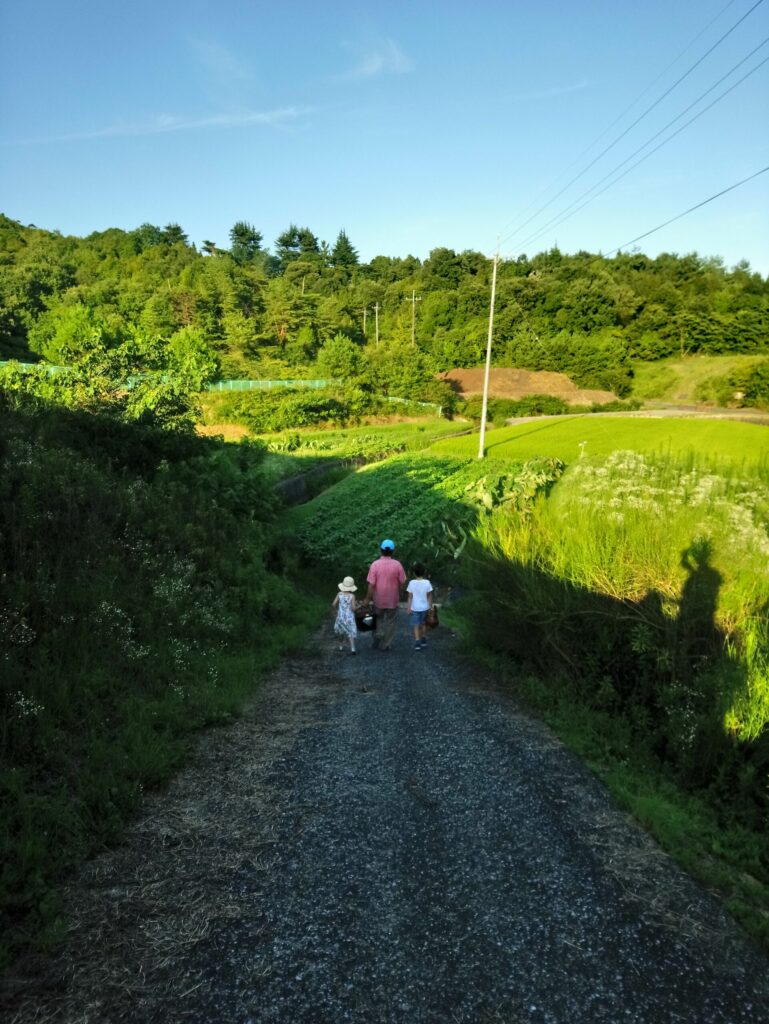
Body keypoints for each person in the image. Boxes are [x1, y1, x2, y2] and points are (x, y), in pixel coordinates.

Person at [365, 539, 406, 651]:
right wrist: (401, 594)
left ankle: (377, 636)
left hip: (378, 599)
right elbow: (402, 583)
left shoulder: (375, 565)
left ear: (381, 550)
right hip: (393, 599)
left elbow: (371, 585)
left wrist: (367, 599)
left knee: (378, 619)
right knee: (391, 622)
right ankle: (386, 644)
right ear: (392, 551)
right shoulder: (397, 565)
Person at [406, 562, 434, 651]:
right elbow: (429, 596)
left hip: (415, 608)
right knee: (423, 624)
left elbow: (410, 597)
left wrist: (408, 607)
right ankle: (423, 638)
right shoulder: (427, 582)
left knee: (416, 625)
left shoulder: (411, 583)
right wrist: (430, 607)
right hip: (425, 607)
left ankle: (417, 642)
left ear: (414, 572)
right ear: (424, 572)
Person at [332, 576, 359, 655]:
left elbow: (333, 604)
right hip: (349, 618)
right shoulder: (352, 596)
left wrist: (336, 611)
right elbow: (353, 608)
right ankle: (353, 649)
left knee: (340, 632)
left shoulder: (339, 594)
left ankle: (340, 646)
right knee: (350, 633)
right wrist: (358, 606)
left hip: (340, 617)